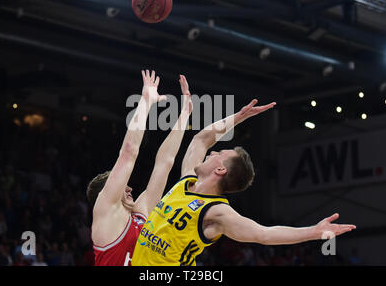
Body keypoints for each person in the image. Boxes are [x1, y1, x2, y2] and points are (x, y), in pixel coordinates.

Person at [132, 99, 357, 266]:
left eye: (219, 153)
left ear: (220, 169)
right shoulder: (187, 181)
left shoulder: (217, 212)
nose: (213, 152)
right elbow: (201, 139)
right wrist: (239, 117)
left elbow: (264, 234)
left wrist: (313, 232)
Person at [86, 71, 192, 266]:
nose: (130, 188)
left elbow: (165, 163)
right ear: (105, 193)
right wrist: (145, 102)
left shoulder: (140, 214)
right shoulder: (106, 212)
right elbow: (128, 153)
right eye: (123, 186)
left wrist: (184, 115)